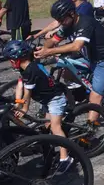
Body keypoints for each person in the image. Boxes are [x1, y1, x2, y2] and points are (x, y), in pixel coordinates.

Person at [34, 0, 104, 125]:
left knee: (95, 96)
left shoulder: (85, 23)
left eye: (61, 19)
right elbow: (54, 40)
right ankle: (96, 88)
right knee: (67, 73)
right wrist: (44, 48)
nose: (60, 22)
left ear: (71, 13)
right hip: (92, 59)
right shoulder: (67, 24)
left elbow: (76, 46)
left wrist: (47, 52)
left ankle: (91, 129)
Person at [4, 40, 74, 172]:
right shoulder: (25, 68)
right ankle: (50, 154)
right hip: (46, 99)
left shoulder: (32, 70)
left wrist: (23, 109)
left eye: (11, 59)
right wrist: (17, 102)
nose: (10, 62)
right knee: (46, 127)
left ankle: (65, 158)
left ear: (19, 59)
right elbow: (20, 85)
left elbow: (28, 94)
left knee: (55, 127)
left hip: (55, 98)